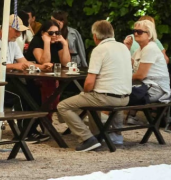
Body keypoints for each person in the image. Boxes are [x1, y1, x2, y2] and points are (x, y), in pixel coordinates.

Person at [56, 20, 133, 152]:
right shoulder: (123, 47)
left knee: (63, 106)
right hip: (125, 98)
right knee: (91, 99)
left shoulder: (99, 50)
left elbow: (90, 82)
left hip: (105, 97)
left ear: (95, 36)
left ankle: (87, 138)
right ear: (112, 32)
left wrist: (85, 92)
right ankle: (99, 135)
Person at [108, 20, 171, 142]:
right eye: (134, 31)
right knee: (113, 95)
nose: (135, 34)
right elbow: (126, 66)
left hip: (155, 90)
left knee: (114, 97)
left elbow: (140, 75)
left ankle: (112, 134)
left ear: (149, 34)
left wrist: (119, 78)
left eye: (139, 32)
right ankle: (111, 133)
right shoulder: (140, 49)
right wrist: (127, 48)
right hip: (144, 88)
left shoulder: (150, 48)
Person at [31, 18, 72, 111]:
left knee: (53, 90)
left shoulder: (58, 43)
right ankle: (47, 117)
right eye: (50, 33)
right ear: (43, 33)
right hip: (35, 78)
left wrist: (65, 44)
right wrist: (46, 42)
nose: (54, 35)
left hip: (52, 78)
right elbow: (44, 61)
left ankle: (48, 117)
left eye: (57, 33)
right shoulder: (37, 41)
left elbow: (66, 62)